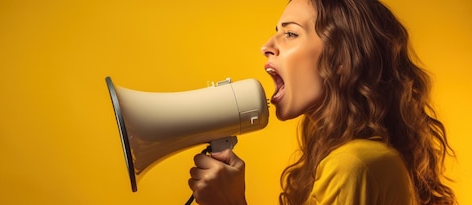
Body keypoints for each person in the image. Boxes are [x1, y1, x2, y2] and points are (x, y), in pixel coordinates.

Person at [187, 0, 457, 204]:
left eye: (290, 34)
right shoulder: (359, 158)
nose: (267, 45)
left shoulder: (352, 164)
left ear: (341, 59)